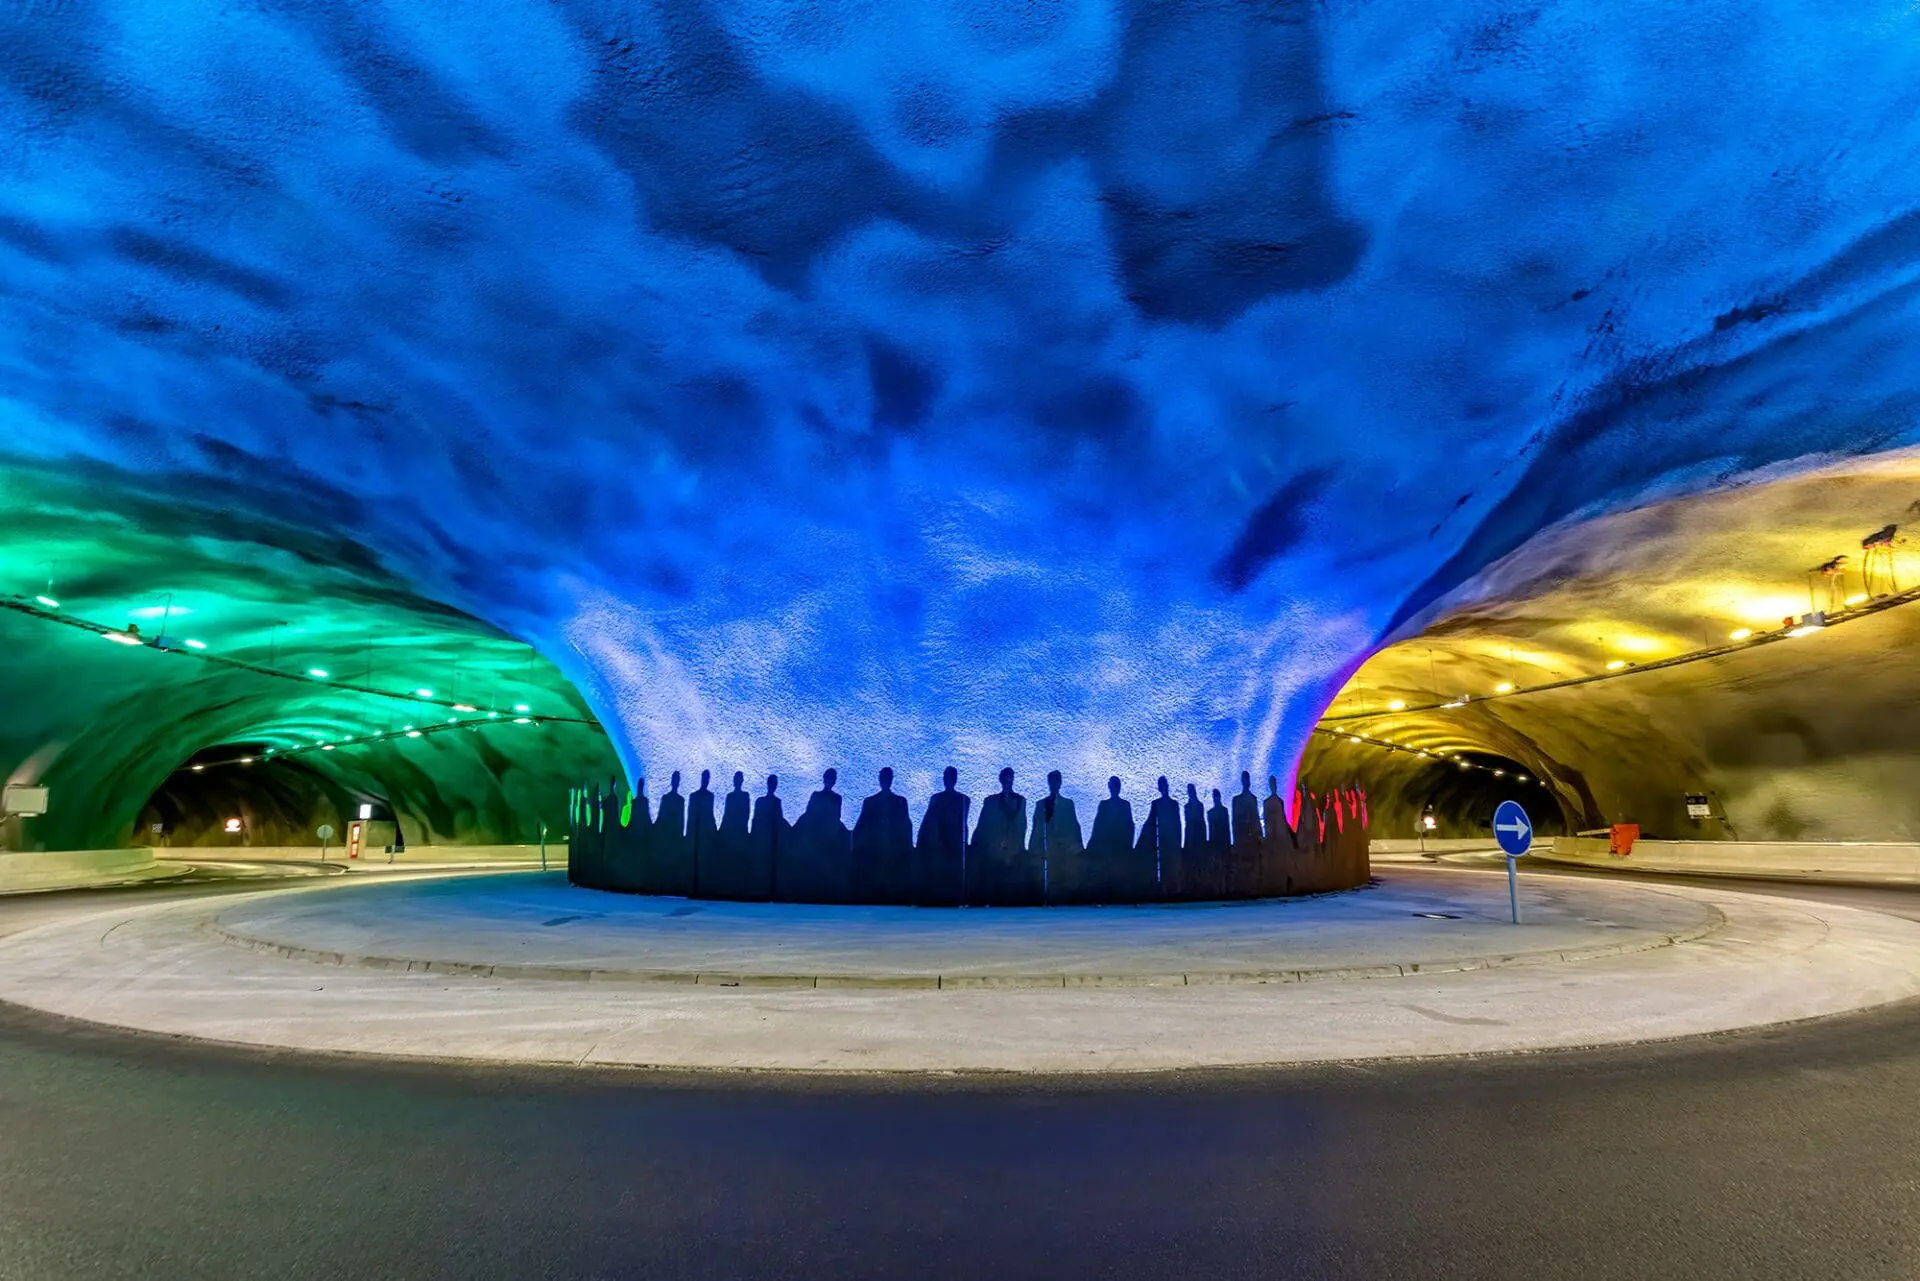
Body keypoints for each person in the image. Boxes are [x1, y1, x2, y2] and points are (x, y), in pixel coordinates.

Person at [851, 767, 914, 903]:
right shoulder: (870, 802)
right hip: (875, 848)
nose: (885, 781)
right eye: (883, 778)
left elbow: (906, 825)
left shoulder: (900, 801)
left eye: (887, 778)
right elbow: (861, 825)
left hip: (893, 849)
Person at [789, 768, 849, 903]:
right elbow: (809, 813)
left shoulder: (836, 798)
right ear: (825, 779)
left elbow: (836, 816)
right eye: (829, 778)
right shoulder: (816, 795)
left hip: (828, 835)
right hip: (815, 834)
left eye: (832, 779)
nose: (830, 781)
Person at [970, 767, 1028, 905]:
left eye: (1010, 777)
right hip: (994, 848)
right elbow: (983, 823)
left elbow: (1022, 824)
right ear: (1001, 779)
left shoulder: (1020, 800)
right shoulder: (990, 801)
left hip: (1013, 848)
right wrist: (976, 843)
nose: (1008, 781)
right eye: (1005, 778)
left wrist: (1017, 845)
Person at [916, 767, 970, 906]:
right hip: (938, 842)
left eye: (951, 777)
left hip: (953, 843)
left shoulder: (963, 799)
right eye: (946, 777)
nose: (948, 780)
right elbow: (928, 821)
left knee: (951, 873)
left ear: (955, 779)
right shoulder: (936, 798)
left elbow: (962, 823)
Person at [1028, 770, 1083, 904]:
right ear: (1049, 783)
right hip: (1049, 846)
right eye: (1052, 781)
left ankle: (1063, 900)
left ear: (1060, 783)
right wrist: (1033, 848)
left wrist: (1078, 846)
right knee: (1050, 875)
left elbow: (1074, 825)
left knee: (1064, 874)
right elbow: (1037, 828)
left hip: (1065, 847)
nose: (1054, 784)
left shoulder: (1068, 803)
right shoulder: (1041, 804)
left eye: (1057, 781)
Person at [1086, 776, 1140, 902]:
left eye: (1116, 785)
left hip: (1117, 846)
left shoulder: (1121, 805)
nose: (1115, 788)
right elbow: (1098, 825)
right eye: (1114, 785)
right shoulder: (1108, 805)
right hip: (1111, 846)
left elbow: (1129, 825)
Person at [705, 771, 752, 899]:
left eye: (739, 779)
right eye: (736, 779)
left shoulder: (744, 796)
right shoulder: (730, 796)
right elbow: (727, 814)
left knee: (737, 861)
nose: (737, 781)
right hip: (732, 832)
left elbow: (746, 815)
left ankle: (736, 889)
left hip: (738, 832)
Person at [1139, 777, 1183, 898]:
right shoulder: (1156, 803)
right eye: (1161, 785)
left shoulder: (1174, 803)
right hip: (1162, 839)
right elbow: (1151, 821)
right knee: (1164, 865)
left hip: (1172, 839)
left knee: (1173, 865)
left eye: (1164, 785)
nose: (1163, 787)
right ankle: (1165, 890)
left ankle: (1175, 890)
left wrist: (1179, 840)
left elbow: (1178, 823)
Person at [654, 770, 691, 896]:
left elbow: (681, 819)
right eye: (675, 779)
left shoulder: (681, 800)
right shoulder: (666, 798)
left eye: (677, 780)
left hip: (674, 835)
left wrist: (681, 835)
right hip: (667, 836)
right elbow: (661, 816)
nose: (676, 782)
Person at [748, 774, 784, 901]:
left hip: (770, 840)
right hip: (762, 839)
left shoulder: (776, 802)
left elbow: (779, 821)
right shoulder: (761, 801)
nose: (773, 786)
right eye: (772, 783)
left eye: (774, 784)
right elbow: (755, 819)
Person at [1231, 770, 1264, 898]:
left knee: (1253, 863)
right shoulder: (1237, 800)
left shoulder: (1253, 799)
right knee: (1243, 864)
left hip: (1252, 837)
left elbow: (1256, 819)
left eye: (1248, 779)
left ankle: (1254, 889)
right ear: (1242, 781)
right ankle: (1244, 889)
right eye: (1244, 779)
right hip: (1242, 837)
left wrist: (1259, 835)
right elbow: (1234, 820)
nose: (1246, 782)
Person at [687, 769, 718, 897]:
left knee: (703, 862)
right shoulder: (694, 796)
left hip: (705, 833)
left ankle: (701, 889)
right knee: (694, 863)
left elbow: (710, 814)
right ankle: (693, 889)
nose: (706, 780)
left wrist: (713, 829)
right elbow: (691, 816)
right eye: (705, 777)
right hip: (696, 834)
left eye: (708, 778)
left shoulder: (710, 796)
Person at [1262, 774, 1293, 896]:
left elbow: (1283, 818)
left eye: (1274, 783)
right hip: (1273, 835)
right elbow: (1267, 818)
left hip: (1280, 835)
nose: (1273, 786)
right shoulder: (1267, 802)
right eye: (1271, 784)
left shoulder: (1280, 801)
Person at [1183, 782, 1212, 899]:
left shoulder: (1199, 805)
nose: (1190, 793)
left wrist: (1204, 839)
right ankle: (1193, 887)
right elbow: (1188, 823)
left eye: (1191, 790)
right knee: (1192, 863)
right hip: (1191, 838)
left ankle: (1200, 886)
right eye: (1189, 791)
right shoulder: (1188, 806)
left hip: (1198, 838)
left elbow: (1202, 823)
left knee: (1199, 863)